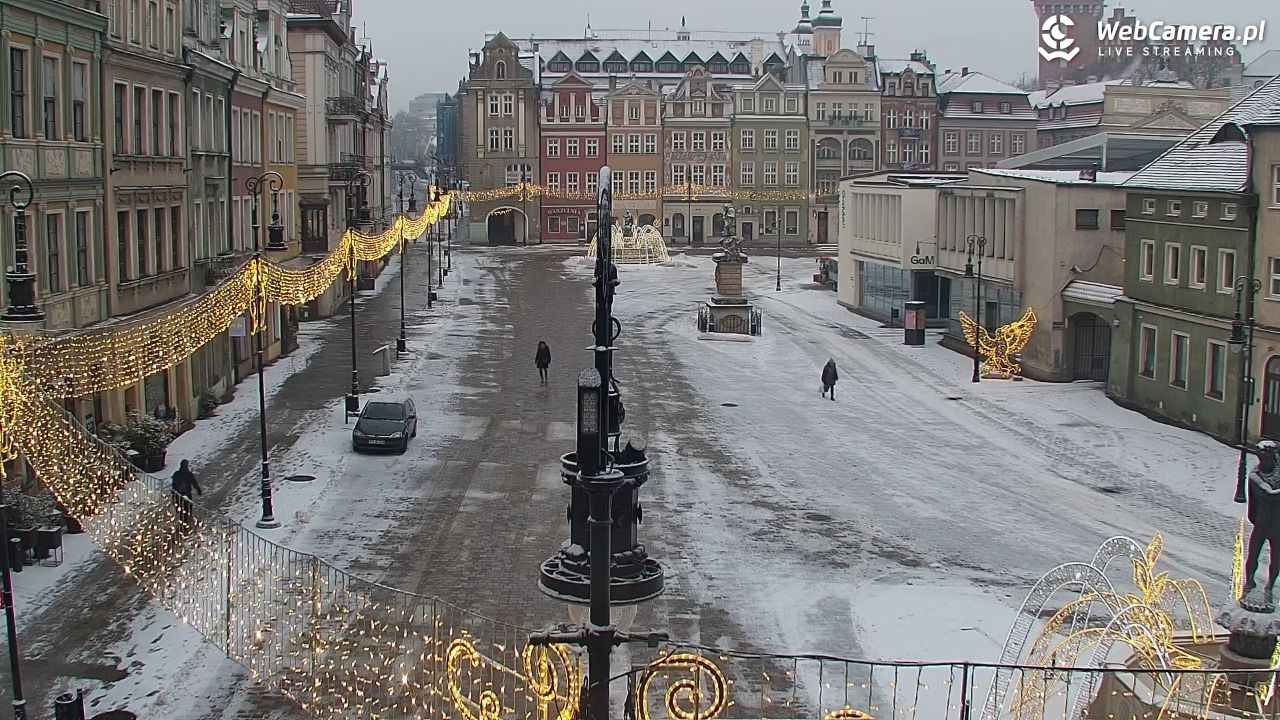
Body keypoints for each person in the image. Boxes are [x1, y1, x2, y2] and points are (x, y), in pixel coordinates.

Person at [171, 459, 203, 529]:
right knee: (187, 508)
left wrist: (173, 494)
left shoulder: (176, 474)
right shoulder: (189, 475)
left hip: (178, 495)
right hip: (187, 495)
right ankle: (186, 521)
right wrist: (198, 489)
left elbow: (174, 485)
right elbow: (194, 483)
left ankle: (182, 521)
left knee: (180, 508)